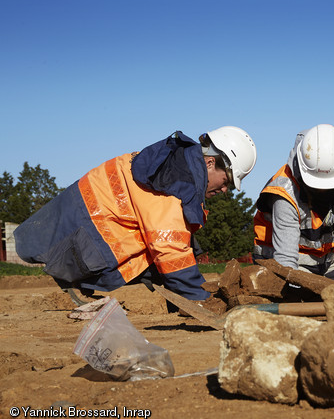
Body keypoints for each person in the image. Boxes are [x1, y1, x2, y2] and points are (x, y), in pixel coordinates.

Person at [14, 127, 257, 301]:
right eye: (227, 181)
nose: (225, 190)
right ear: (210, 163)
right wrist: (201, 297)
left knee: (183, 243)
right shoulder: (173, 183)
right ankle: (77, 281)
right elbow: (170, 250)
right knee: (171, 249)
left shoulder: (174, 165)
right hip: (88, 232)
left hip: (87, 221)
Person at [252, 124, 334, 280]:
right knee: (315, 299)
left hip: (328, 260)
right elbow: (286, 263)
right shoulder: (284, 194)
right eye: (318, 186)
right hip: (288, 262)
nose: (324, 190)